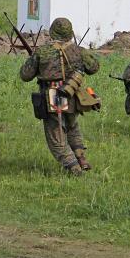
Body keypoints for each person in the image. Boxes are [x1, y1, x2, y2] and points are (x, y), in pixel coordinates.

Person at [20, 17, 100, 175]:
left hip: (53, 96)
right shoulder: (78, 50)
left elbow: (25, 75)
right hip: (72, 94)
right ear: (70, 33)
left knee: (55, 134)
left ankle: (74, 168)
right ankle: (81, 157)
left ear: (52, 32)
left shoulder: (42, 51)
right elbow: (94, 67)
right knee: (72, 126)